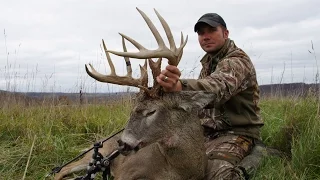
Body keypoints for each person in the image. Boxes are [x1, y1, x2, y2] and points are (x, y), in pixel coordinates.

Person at [156, 13, 264, 179]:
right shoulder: (209, 64)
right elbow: (198, 105)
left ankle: (257, 157)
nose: (205, 37)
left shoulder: (236, 61)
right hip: (207, 132)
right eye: (201, 33)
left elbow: (216, 89)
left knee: (214, 172)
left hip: (236, 133)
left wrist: (180, 86)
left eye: (211, 30)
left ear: (225, 33)